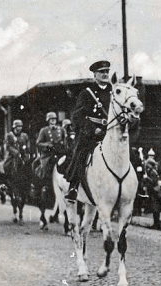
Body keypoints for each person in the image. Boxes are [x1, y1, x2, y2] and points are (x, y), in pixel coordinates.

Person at [65, 60, 112, 203]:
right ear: (95, 74)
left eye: (106, 72)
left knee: (130, 154)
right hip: (91, 134)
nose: (105, 74)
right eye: (101, 72)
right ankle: (73, 188)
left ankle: (137, 188)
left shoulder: (114, 91)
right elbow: (77, 117)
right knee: (81, 153)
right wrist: (93, 129)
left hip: (110, 132)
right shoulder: (87, 93)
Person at [35, 112, 67, 186]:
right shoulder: (44, 130)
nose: (53, 121)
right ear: (48, 120)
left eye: (54, 119)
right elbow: (38, 143)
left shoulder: (61, 130)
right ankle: (45, 185)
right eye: (51, 119)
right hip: (48, 154)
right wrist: (47, 145)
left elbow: (65, 141)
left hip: (60, 153)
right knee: (45, 168)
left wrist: (63, 145)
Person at [143, 149, 161, 229]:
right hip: (157, 188)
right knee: (156, 207)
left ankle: (156, 223)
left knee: (155, 207)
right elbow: (160, 176)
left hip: (153, 189)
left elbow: (153, 179)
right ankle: (156, 222)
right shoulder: (156, 165)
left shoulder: (149, 166)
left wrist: (146, 179)